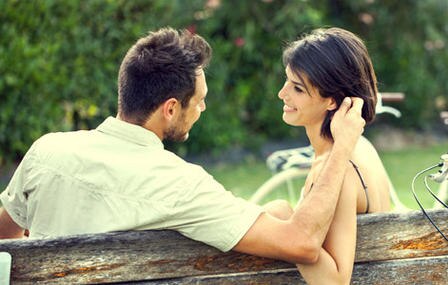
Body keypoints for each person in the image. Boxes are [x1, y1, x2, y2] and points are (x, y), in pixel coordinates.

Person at [0, 27, 367, 266]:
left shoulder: (46, 152)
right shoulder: (179, 184)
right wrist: (343, 146)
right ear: (171, 108)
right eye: (199, 101)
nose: (203, 109)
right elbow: (301, 242)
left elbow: (6, 233)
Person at [265, 27, 393, 284]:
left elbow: (335, 281)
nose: (283, 94)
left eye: (298, 89)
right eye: (287, 81)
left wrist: (284, 219)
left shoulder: (337, 169)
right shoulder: (361, 146)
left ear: (332, 101)